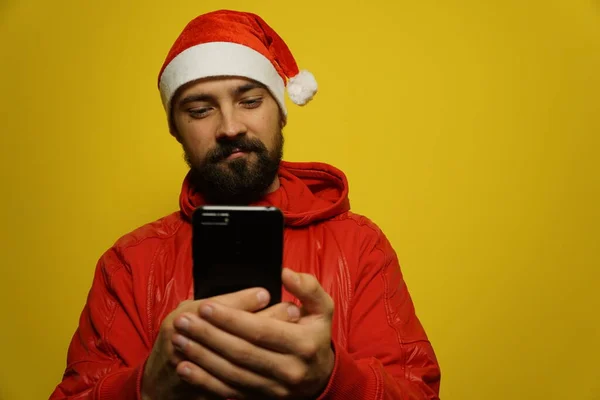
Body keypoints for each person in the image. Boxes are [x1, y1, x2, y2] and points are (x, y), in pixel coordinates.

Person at [50, 9, 441, 400]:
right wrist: (146, 387)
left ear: (281, 113)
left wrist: (332, 378)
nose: (230, 127)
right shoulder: (129, 264)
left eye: (250, 101)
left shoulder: (361, 247)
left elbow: (417, 392)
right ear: (174, 128)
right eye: (200, 110)